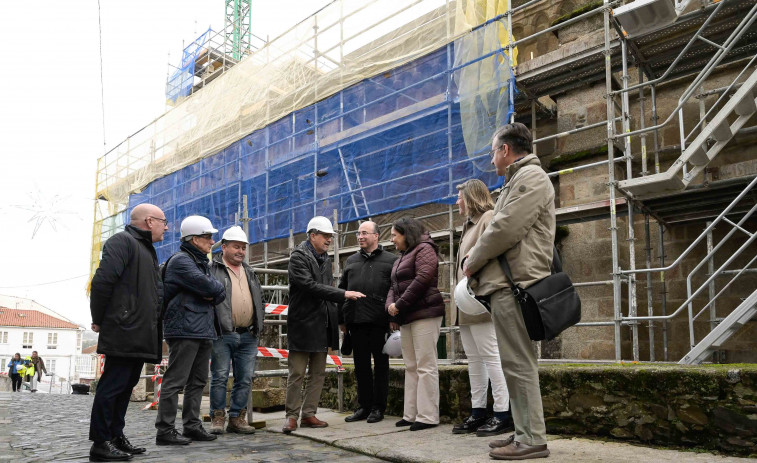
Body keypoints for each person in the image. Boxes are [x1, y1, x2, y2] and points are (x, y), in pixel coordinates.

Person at [464, 122, 554, 460]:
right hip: (507, 283)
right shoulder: (518, 180)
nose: (492, 159)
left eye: (492, 151)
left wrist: (473, 259)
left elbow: (504, 228)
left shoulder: (531, 178)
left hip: (514, 283)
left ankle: (532, 439)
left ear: (505, 150)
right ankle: (523, 432)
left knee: (518, 363)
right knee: (513, 363)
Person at [89, 203, 168, 462]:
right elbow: (102, 281)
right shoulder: (122, 241)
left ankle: (115, 436)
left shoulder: (145, 248)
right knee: (112, 386)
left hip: (138, 331)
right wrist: (99, 319)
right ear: (148, 221)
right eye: (163, 221)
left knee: (125, 387)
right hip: (124, 329)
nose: (166, 227)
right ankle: (100, 442)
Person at [282, 216, 365, 434]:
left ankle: (309, 414)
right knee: (297, 373)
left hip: (322, 323)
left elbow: (324, 291)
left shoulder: (324, 259)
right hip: (302, 324)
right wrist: (343, 294)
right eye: (326, 236)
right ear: (313, 235)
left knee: (318, 373)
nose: (329, 240)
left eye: (330, 236)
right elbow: (310, 286)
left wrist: (338, 319)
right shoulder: (298, 258)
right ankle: (291, 416)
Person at [155, 215, 226, 446]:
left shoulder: (198, 262)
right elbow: (212, 287)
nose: (211, 240)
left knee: (197, 381)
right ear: (194, 239)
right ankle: (165, 430)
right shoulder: (182, 261)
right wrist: (209, 292)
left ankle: (192, 426)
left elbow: (219, 291)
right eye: (207, 236)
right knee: (175, 381)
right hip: (185, 329)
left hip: (201, 328)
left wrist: (211, 291)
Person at [452, 180, 512, 437]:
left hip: (481, 302)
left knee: (492, 357)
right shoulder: (468, 226)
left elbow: (493, 257)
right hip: (465, 305)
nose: (457, 202)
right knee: (474, 361)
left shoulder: (488, 218)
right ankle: (478, 412)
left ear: (471, 196)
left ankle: (503, 414)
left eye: (459, 197)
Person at [386, 217, 445, 432]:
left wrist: (398, 305)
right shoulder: (402, 255)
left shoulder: (424, 249)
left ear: (406, 233)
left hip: (425, 313)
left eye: (394, 235)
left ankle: (428, 416)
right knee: (411, 366)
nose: (392, 240)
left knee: (425, 365)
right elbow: (393, 285)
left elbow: (423, 278)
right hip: (407, 315)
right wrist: (390, 306)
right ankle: (410, 414)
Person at [339, 221, 397, 424]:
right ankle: (364, 407)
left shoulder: (391, 260)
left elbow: (395, 291)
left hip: (380, 322)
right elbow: (342, 289)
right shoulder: (350, 261)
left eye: (364, 233)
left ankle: (378, 408)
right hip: (356, 321)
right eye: (358, 233)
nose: (360, 236)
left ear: (376, 236)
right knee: (360, 366)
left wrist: (393, 319)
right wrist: (342, 320)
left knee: (381, 366)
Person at [208, 226, 264, 435]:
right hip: (223, 334)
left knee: (245, 378)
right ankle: (217, 418)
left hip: (248, 334)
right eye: (236, 247)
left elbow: (260, 299)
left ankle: (237, 419)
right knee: (220, 376)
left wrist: (259, 324)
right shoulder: (213, 270)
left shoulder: (249, 271)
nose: (240, 251)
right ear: (224, 247)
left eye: (243, 248)